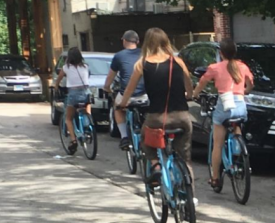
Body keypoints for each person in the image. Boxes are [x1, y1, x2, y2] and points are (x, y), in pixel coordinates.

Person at [119, 28, 194, 186]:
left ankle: (155, 165)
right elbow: (189, 85)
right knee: (185, 159)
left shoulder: (142, 64)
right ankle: (190, 198)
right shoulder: (178, 61)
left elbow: (129, 89)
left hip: (157, 118)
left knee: (145, 140)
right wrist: (189, 95)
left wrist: (122, 103)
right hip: (182, 117)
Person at [192, 38, 254, 190]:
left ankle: (214, 178)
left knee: (217, 144)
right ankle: (239, 155)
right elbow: (250, 84)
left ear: (220, 53)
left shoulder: (215, 67)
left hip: (224, 105)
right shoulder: (242, 66)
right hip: (240, 105)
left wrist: (194, 94)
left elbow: (202, 82)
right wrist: (244, 91)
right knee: (237, 125)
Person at [103, 30, 147, 150]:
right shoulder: (145, 54)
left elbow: (110, 77)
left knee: (117, 108)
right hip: (145, 94)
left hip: (127, 95)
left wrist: (107, 88)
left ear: (124, 41)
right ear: (137, 42)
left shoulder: (119, 56)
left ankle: (124, 137)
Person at [53, 47, 92, 155]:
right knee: (87, 105)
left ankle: (73, 140)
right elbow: (88, 76)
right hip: (86, 92)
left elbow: (59, 78)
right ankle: (88, 124)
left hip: (73, 94)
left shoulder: (66, 67)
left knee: (68, 118)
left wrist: (56, 86)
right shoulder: (86, 66)